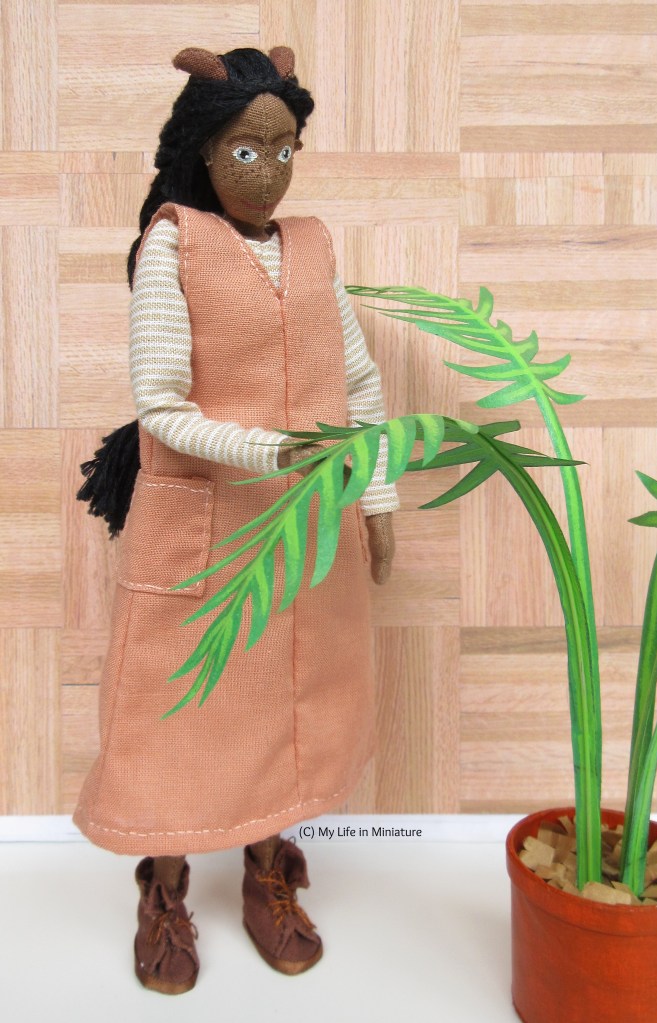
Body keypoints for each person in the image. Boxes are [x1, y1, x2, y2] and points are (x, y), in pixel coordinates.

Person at [72, 43, 399, 994]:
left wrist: (377, 499)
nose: (269, 172)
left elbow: (360, 381)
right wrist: (274, 451)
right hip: (206, 525)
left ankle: (267, 865)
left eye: (286, 149)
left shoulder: (312, 247)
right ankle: (165, 882)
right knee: (178, 711)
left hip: (308, 531)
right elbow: (161, 405)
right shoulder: (173, 243)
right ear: (203, 152)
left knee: (294, 702)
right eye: (248, 152)